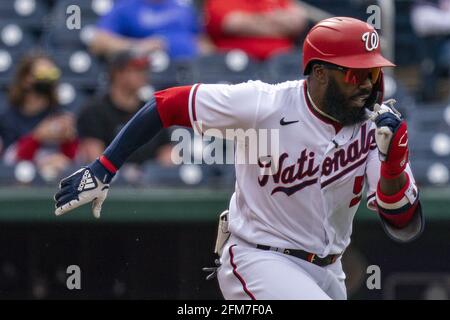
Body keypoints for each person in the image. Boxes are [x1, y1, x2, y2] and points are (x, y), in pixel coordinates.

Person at [54, 17, 424, 300]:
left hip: (331, 270)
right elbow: (165, 105)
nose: (366, 84)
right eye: (354, 74)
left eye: (372, 72)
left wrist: (392, 164)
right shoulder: (264, 103)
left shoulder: (378, 128)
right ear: (320, 74)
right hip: (260, 257)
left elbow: (403, 224)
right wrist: (104, 168)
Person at [77, 50, 172, 166]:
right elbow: (95, 160)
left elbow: (167, 153)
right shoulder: (94, 111)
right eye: (137, 70)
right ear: (118, 73)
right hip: (112, 181)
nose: (143, 74)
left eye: (145, 69)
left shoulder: (152, 111)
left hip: (149, 182)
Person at [0, 52, 78, 176]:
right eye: (42, 74)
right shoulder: (7, 118)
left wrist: (68, 140)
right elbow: (8, 162)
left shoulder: (61, 115)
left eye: (52, 75)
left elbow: (74, 161)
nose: (47, 80)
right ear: (26, 79)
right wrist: (37, 137)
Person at [90, 0, 214, 60]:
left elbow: (204, 43)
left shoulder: (183, 8)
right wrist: (138, 47)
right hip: (148, 74)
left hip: (188, 73)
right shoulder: (126, 7)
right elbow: (98, 42)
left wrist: (203, 52)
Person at [204, 0, 308, 60]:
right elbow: (231, 24)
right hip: (237, 65)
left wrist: (252, 22)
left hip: (281, 62)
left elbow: (296, 23)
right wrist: (279, 25)